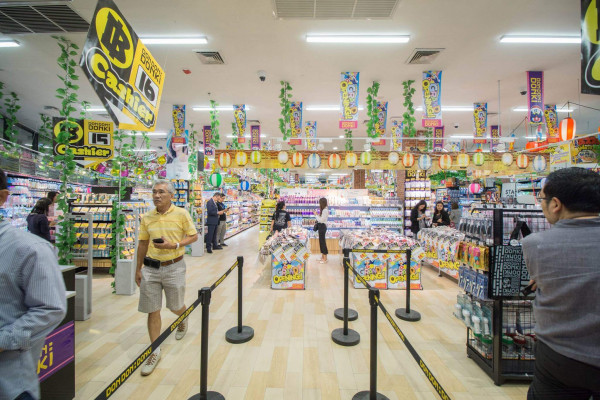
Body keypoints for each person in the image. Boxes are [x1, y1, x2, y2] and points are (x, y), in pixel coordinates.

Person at [521, 168, 600, 399]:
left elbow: (542, 280)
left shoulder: (535, 244)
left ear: (556, 204)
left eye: (542, 199)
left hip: (559, 354)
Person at [0, 168, 67, 400]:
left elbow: (51, 309)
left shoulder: (30, 250)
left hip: (10, 386)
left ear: (2, 197)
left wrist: (4, 340)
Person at [135, 180, 198, 376]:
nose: (157, 195)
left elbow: (193, 236)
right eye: (154, 192)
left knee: (175, 306)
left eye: (161, 192)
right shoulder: (147, 217)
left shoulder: (181, 214)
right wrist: (137, 269)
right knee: (152, 310)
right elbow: (142, 244)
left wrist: (175, 245)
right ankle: (155, 351)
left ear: (171, 195)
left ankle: (183, 316)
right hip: (151, 269)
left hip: (174, 267)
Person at [314, 197, 329, 263]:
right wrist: (317, 215)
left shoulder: (325, 210)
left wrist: (316, 215)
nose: (319, 204)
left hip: (322, 226)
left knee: (322, 242)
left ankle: (325, 258)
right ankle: (323, 257)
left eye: (320, 203)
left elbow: (321, 220)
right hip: (321, 227)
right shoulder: (324, 210)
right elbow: (322, 218)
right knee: (321, 242)